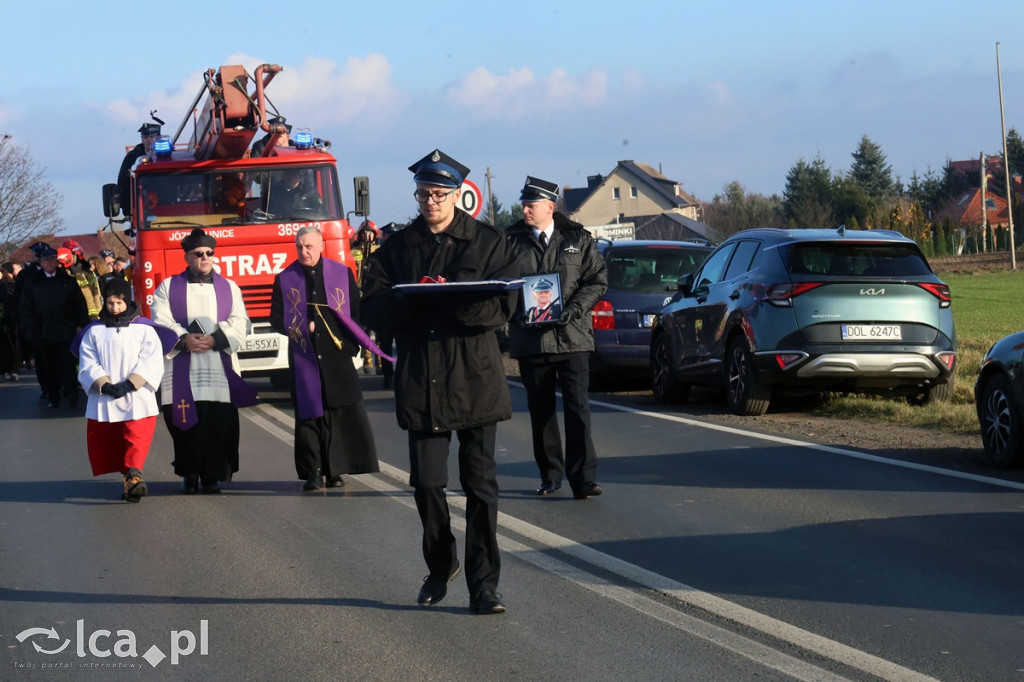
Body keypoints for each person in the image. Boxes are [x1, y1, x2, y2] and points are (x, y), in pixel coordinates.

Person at [361, 149, 518, 615]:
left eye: (438, 194)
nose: (430, 202)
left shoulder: (488, 243)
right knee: (427, 485)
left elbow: (505, 305)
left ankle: (484, 585)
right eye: (423, 194)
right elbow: (371, 307)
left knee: (480, 489)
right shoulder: (398, 247)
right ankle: (440, 562)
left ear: (457, 195)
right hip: (423, 379)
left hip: (475, 378)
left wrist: (452, 300)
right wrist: (411, 302)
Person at [506, 176, 608, 499]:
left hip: (572, 337)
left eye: (531, 204)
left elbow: (597, 280)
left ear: (550, 207)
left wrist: (572, 310)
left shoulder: (577, 238)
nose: (525, 209)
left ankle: (584, 479)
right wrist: (517, 311)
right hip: (531, 341)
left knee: (578, 409)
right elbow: (501, 285)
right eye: (523, 203)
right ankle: (550, 476)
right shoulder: (509, 243)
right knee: (541, 411)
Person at [269, 226, 390, 491]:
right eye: (299, 247)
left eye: (309, 246)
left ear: (322, 245)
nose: (304, 251)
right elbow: (276, 319)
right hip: (305, 358)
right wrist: (302, 327)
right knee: (310, 417)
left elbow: (355, 316)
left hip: (337, 356)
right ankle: (313, 472)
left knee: (338, 413)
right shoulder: (284, 278)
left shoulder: (342, 273)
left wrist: (350, 347)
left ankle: (336, 470)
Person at [150, 228, 256, 494]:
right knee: (186, 421)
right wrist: (184, 339)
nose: (206, 258)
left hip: (219, 366)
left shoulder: (228, 287)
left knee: (218, 422)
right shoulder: (168, 287)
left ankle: (212, 476)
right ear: (187, 257)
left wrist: (215, 340)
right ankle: (191, 473)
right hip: (184, 366)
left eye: (210, 253)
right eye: (199, 254)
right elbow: (160, 319)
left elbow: (240, 321)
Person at [72, 278, 176, 502]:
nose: (114, 307)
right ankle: (129, 477)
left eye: (119, 302)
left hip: (137, 394)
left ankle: (135, 473)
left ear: (127, 302)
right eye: (110, 303)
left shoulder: (144, 329)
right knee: (114, 440)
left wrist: (131, 383)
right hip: (106, 395)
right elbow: (87, 361)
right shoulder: (94, 332)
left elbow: (151, 360)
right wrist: (103, 383)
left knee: (135, 434)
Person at [19, 245, 90, 408]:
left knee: (67, 365)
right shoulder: (32, 284)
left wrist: (80, 324)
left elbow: (79, 305)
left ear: (57, 262)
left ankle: (71, 392)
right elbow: (25, 309)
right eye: (46, 260)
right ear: (41, 263)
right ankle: (53, 395)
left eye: (52, 260)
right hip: (42, 333)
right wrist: (29, 329)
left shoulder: (68, 281)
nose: (49, 263)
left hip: (65, 331)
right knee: (48, 367)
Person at [63, 240, 102, 320]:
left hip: (90, 315)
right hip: (70, 315)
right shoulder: (63, 273)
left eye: (71, 255)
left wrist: (98, 315)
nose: (69, 258)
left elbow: (96, 294)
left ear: (77, 255)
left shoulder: (88, 273)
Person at [0, 262, 22, 381]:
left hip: (9, 319)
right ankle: (4, 368)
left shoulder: (8, 285)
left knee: (12, 344)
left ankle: (13, 368)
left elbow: (10, 301)